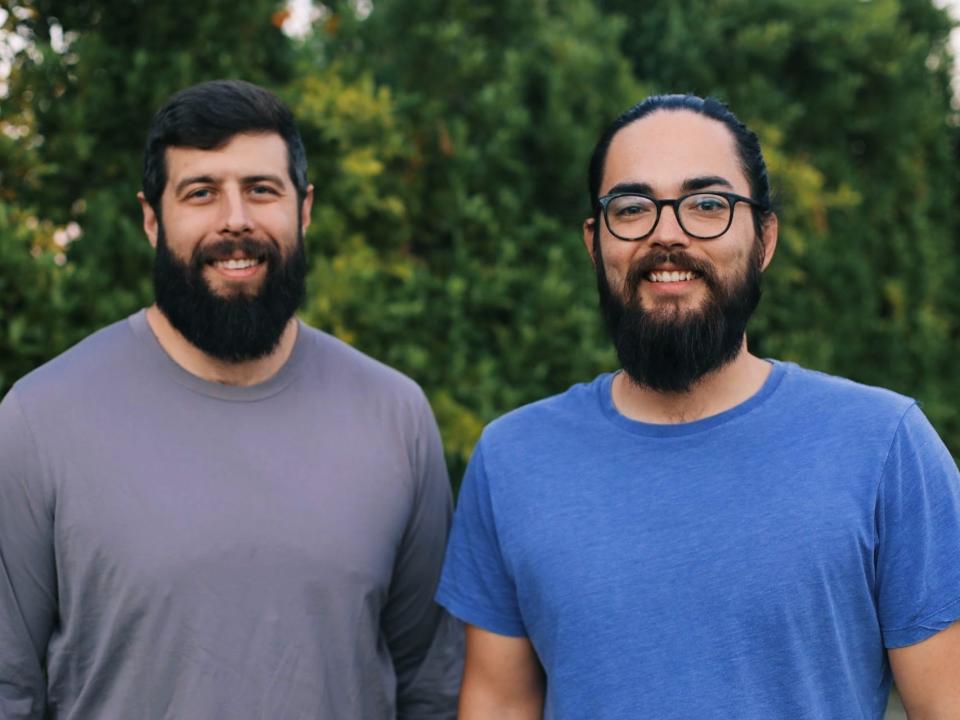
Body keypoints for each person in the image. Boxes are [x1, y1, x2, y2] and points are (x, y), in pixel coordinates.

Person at [436, 94, 960, 719]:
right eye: (630, 208)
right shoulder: (512, 459)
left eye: (707, 204)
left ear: (764, 238)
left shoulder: (885, 446)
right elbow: (498, 703)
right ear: (593, 243)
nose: (667, 232)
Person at [0, 79, 461, 719]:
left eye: (261, 190)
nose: (235, 219)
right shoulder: (37, 420)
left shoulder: (396, 417)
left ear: (303, 210)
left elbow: (432, 689)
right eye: (201, 192)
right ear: (151, 218)